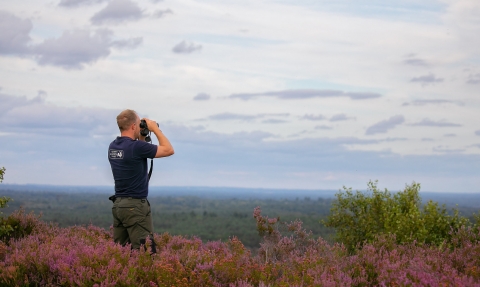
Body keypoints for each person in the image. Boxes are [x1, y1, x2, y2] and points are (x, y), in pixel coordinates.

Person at [108, 109, 174, 253]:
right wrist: (155, 128)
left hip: (119, 206)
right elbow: (169, 150)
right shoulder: (136, 147)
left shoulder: (113, 146)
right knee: (146, 252)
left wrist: (142, 135)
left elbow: (136, 152)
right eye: (138, 124)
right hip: (135, 206)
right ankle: (145, 276)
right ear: (133, 126)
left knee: (122, 253)